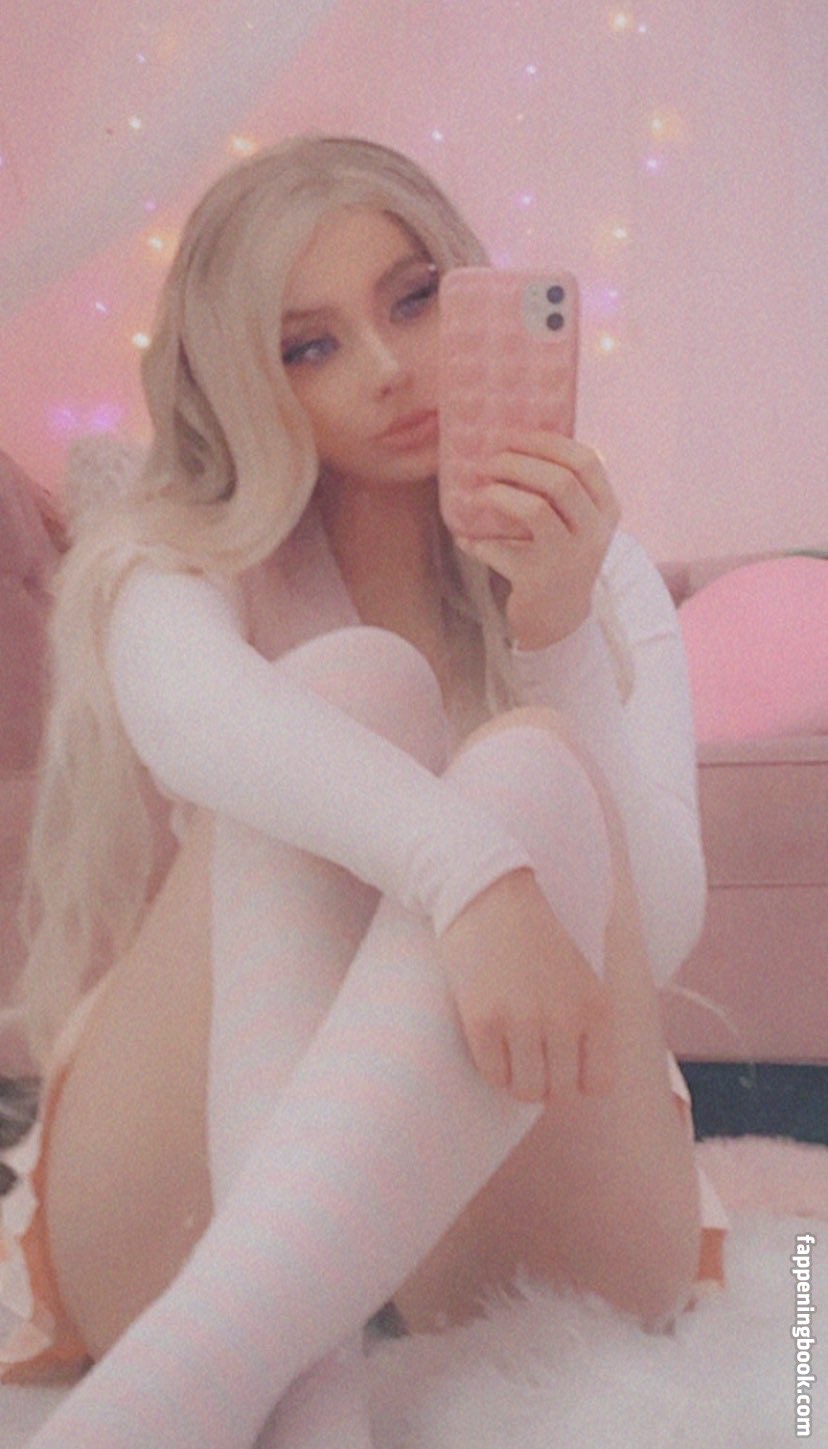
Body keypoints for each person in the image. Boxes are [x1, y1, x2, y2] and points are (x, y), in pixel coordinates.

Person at [0, 134, 728, 1447]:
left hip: (511, 1180)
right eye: (309, 346)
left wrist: (556, 634)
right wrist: (472, 874)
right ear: (240, 379)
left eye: (415, 299)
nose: (389, 368)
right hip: (177, 1185)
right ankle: (275, 1381)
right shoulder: (180, 561)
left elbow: (658, 931)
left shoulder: (600, 571)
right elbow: (198, 725)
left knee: (531, 760)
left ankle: (227, 1400)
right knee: (351, 688)